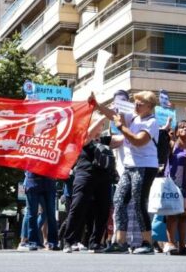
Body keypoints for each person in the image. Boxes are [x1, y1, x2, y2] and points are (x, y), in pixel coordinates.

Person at [94, 90, 159, 254]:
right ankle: (120, 242)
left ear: (149, 106)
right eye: (135, 102)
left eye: (140, 103)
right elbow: (113, 115)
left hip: (145, 166)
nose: (136, 105)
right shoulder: (134, 117)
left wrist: (121, 127)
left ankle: (147, 242)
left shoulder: (152, 122)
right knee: (119, 200)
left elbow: (138, 141)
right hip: (130, 166)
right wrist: (97, 105)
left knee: (138, 202)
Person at [62, 113, 117, 253]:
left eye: (102, 124)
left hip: (104, 178)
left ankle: (95, 243)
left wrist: (125, 123)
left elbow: (123, 140)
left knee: (103, 209)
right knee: (78, 207)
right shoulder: (83, 137)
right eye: (98, 123)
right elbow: (87, 136)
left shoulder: (104, 140)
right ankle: (68, 241)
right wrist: (104, 115)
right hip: (85, 175)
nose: (101, 126)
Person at [164, 119, 186, 255]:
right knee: (172, 214)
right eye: (182, 127)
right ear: (177, 131)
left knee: (185, 215)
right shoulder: (172, 145)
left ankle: (182, 246)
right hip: (174, 183)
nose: (185, 129)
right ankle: (171, 244)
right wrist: (166, 128)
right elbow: (160, 144)